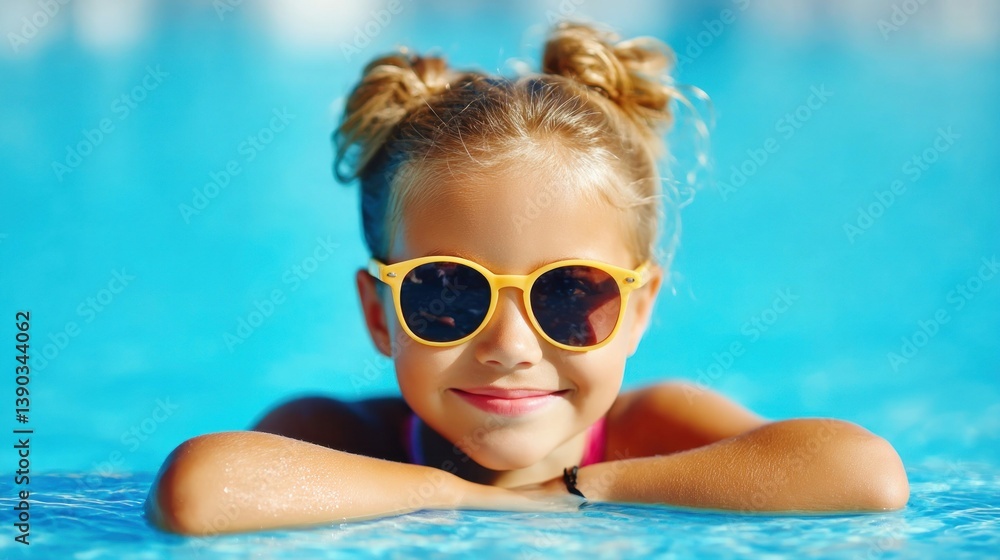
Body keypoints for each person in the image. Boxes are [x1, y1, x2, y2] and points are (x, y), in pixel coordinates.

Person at [145, 22, 908, 535]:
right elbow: (198, 492)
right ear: (380, 315)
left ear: (639, 310)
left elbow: (865, 474)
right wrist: (464, 499)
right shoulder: (348, 439)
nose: (511, 346)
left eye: (571, 293)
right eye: (447, 291)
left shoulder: (647, 434)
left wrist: (582, 488)